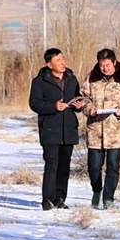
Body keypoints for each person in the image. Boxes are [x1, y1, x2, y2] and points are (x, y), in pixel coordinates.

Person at [80, 48, 120, 209]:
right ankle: (97, 190)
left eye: (107, 65)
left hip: (117, 130)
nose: (105, 68)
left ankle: (108, 199)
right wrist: (89, 109)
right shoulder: (91, 78)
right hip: (96, 130)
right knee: (94, 167)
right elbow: (83, 98)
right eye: (102, 65)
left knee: (113, 166)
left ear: (114, 62)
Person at [29, 48, 84, 211]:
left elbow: (78, 97)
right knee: (51, 165)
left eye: (63, 59)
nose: (62, 62)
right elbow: (34, 103)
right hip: (50, 129)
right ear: (49, 64)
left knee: (64, 167)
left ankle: (60, 199)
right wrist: (53, 106)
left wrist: (79, 105)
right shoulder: (39, 81)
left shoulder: (71, 78)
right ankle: (47, 200)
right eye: (58, 60)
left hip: (68, 129)